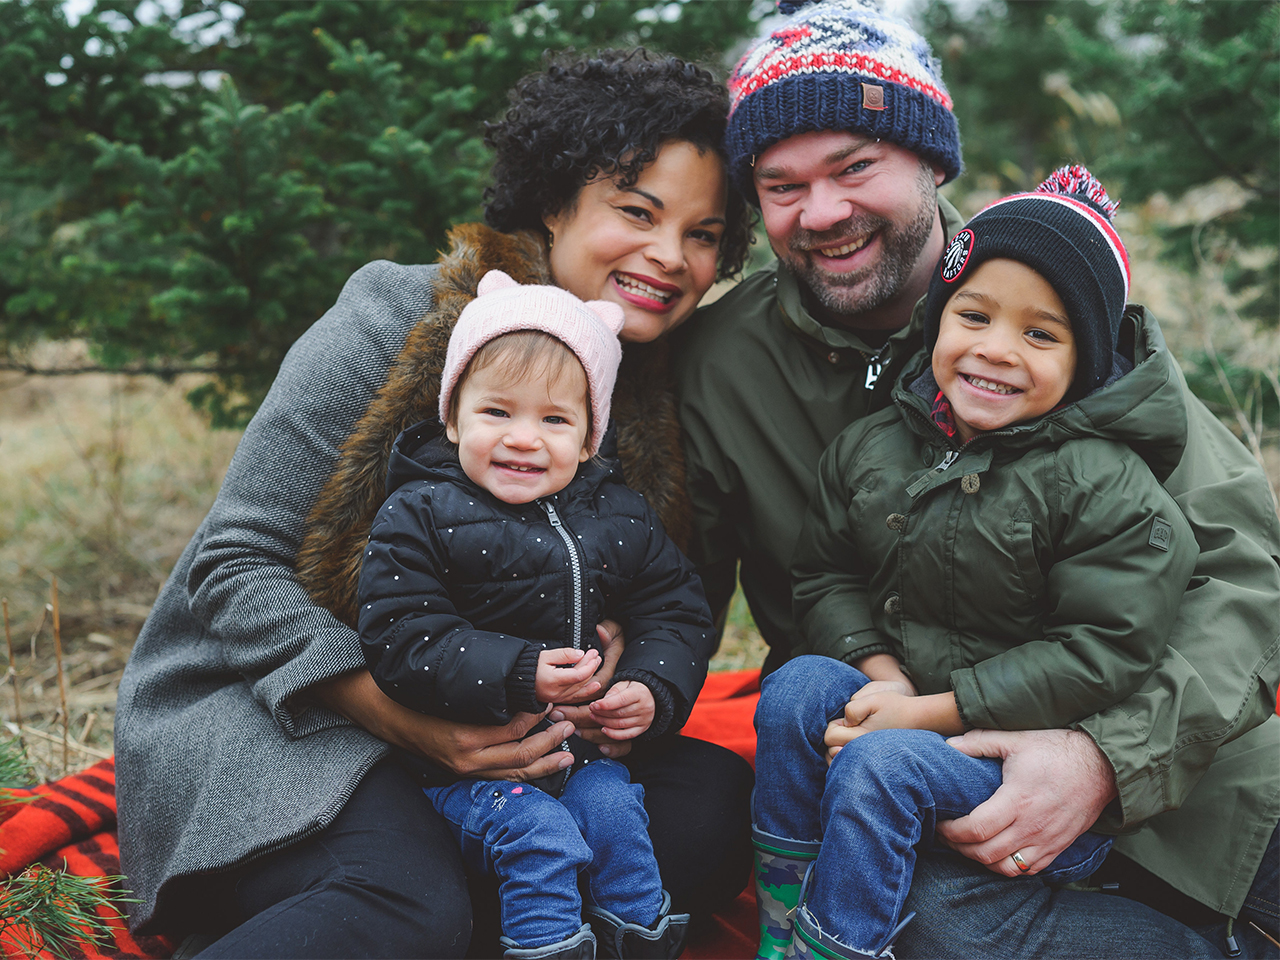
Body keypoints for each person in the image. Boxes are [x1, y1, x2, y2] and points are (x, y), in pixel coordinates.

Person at [114, 49, 755, 959]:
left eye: (703, 234)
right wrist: (395, 712)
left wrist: (621, 661)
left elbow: (656, 596)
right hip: (288, 708)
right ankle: (372, 904)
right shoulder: (397, 317)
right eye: (637, 212)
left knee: (705, 808)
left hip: (506, 721)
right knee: (405, 902)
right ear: (554, 199)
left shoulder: (646, 393)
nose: (668, 256)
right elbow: (232, 566)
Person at [671, 1, 1280, 957]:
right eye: (780, 185)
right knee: (930, 918)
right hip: (887, 768)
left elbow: (1239, 572)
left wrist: (1102, 760)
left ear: (931, 161)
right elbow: (674, 591)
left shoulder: (1056, 297)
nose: (820, 213)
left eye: (854, 167)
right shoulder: (718, 365)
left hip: (1122, 751)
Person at [753, 168, 1201, 960]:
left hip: (1024, 770)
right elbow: (827, 576)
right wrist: (883, 676)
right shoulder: (873, 449)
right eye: (974, 315)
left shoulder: (1101, 480)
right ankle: (786, 914)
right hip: (907, 706)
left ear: (1085, 362)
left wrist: (927, 714)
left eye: (1041, 334)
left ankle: (837, 946)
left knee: (886, 763)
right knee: (796, 687)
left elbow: (1104, 649)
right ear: (936, 320)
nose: (996, 350)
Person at [357, 271, 713, 959]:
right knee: (541, 841)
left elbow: (676, 606)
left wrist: (649, 685)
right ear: (454, 417)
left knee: (616, 817)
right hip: (465, 773)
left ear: (588, 439)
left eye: (554, 419)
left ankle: (639, 940)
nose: (525, 438)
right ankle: (545, 946)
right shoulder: (419, 514)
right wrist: (519, 671)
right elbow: (401, 636)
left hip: (579, 752)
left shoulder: (618, 515)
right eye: (498, 413)